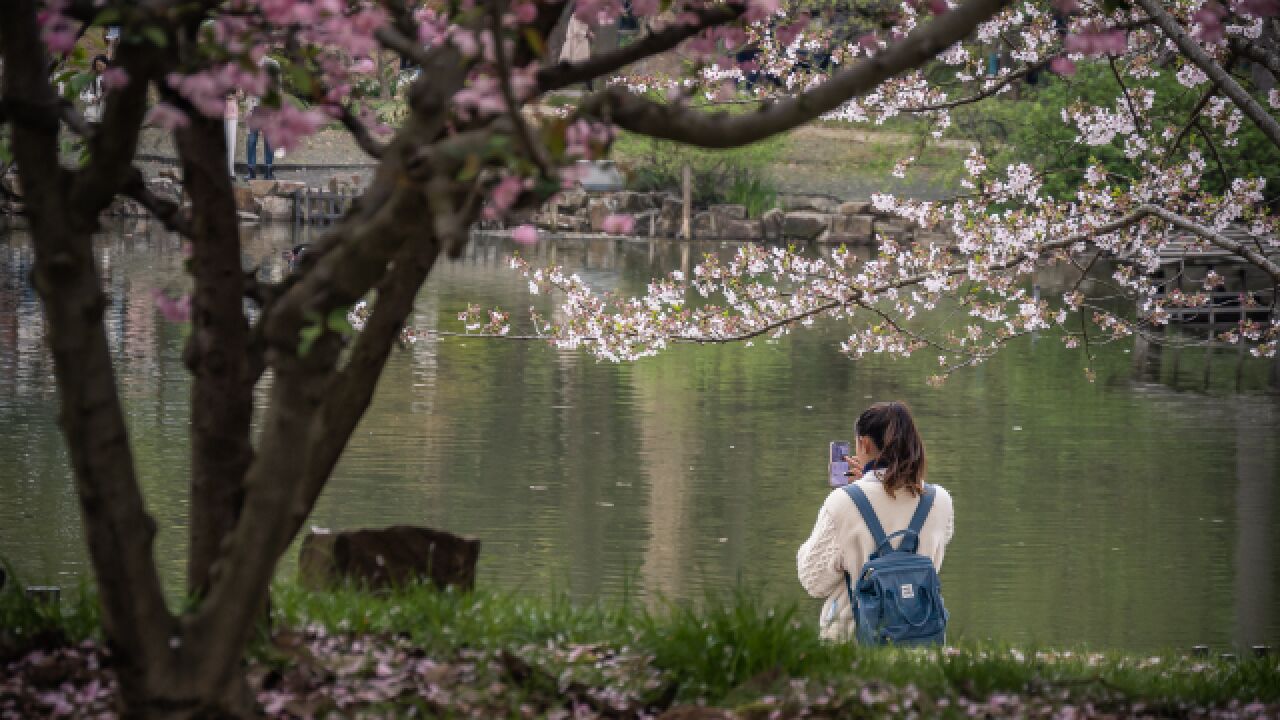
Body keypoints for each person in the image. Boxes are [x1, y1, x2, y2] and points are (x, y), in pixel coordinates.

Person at [796, 401, 954, 641]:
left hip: (853, 643)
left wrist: (853, 494)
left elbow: (813, 581)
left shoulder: (842, 503)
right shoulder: (939, 500)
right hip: (920, 638)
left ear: (865, 443)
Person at [245, 55, 282, 180]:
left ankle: (268, 171)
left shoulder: (273, 64)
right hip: (254, 108)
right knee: (251, 140)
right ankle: (251, 172)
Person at [560, 16, 593, 89]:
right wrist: (587, 34)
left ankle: (589, 86)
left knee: (583, 65)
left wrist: (587, 33)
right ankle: (589, 86)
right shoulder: (577, 16)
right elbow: (577, 31)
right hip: (576, 44)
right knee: (581, 65)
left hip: (580, 44)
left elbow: (581, 29)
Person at [81, 55, 108, 123]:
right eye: (98, 65)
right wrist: (91, 98)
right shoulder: (90, 77)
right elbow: (83, 94)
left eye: (102, 65)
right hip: (91, 113)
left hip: (106, 113)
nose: (100, 67)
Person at [223, 91, 239, 179]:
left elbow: (241, 94)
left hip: (232, 115)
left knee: (231, 144)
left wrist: (235, 95)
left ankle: (231, 170)